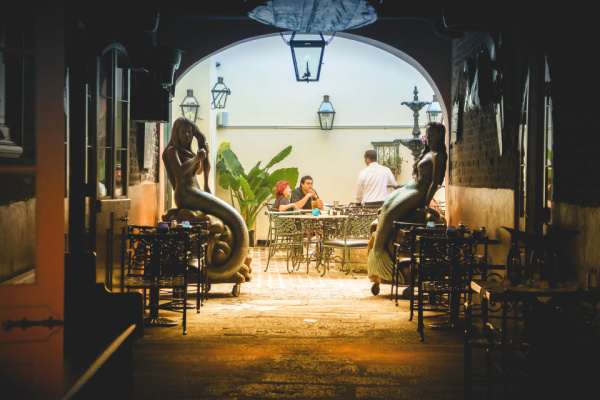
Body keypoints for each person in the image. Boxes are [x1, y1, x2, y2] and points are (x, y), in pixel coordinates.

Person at [163, 117, 249, 283]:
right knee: (227, 212)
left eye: (189, 131)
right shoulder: (172, 151)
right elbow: (180, 171)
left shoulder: (190, 151)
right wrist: (197, 158)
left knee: (229, 215)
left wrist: (203, 154)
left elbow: (200, 170)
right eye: (183, 131)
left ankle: (231, 263)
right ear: (176, 133)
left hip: (195, 190)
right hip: (185, 193)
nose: (187, 135)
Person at [367, 122, 447, 291]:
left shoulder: (437, 156)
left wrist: (425, 203)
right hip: (409, 187)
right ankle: (378, 255)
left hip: (417, 191)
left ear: (440, 135)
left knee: (389, 215)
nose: (428, 137)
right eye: (427, 134)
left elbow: (434, 182)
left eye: (431, 134)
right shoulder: (428, 153)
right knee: (384, 209)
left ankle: (380, 257)